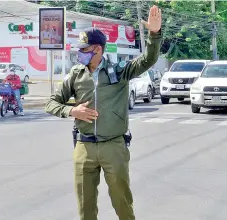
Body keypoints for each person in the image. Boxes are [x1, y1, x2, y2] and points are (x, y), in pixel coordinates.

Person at [45, 5, 162, 220]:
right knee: (85, 207)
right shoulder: (76, 74)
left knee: (122, 203)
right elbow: (51, 103)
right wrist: (72, 111)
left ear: (97, 50)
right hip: (84, 147)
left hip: (113, 147)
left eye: (83, 49)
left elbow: (148, 60)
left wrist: (154, 35)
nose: (79, 53)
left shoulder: (119, 70)